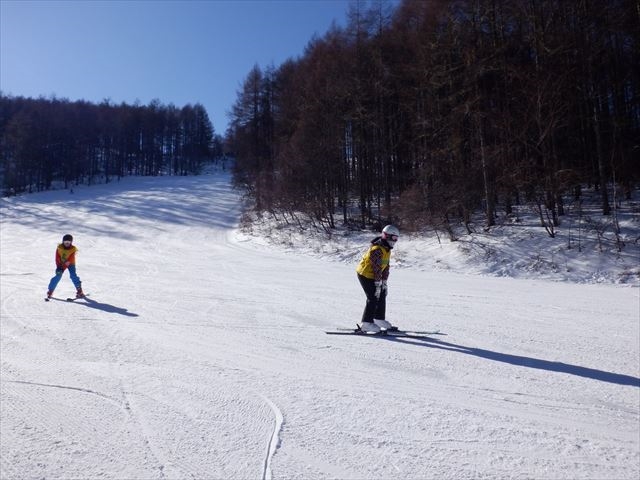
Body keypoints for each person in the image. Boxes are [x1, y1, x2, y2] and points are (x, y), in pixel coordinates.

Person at [356, 225, 400, 333]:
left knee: (382, 293)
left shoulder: (387, 249)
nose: (395, 241)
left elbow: (385, 267)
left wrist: (384, 282)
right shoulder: (377, 249)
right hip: (365, 275)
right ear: (386, 236)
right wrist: (377, 283)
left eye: (396, 239)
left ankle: (379, 319)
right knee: (373, 297)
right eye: (393, 238)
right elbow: (376, 268)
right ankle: (366, 323)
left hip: (376, 276)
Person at [46, 234, 84, 299]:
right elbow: (57, 258)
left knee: (73, 275)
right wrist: (58, 267)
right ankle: (50, 290)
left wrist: (64, 265)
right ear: (63, 241)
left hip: (71, 263)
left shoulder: (73, 249)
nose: (67, 243)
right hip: (61, 263)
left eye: (68, 242)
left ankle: (79, 290)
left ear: (71, 242)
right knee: (58, 275)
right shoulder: (59, 248)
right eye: (65, 242)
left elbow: (70, 260)